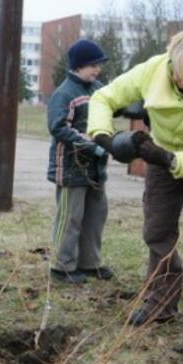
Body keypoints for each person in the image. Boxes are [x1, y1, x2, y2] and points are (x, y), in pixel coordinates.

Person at [88, 22, 183, 354]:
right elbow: (104, 96)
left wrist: (171, 159)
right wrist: (103, 135)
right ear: (171, 60)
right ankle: (161, 304)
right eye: (179, 77)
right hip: (162, 157)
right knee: (157, 230)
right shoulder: (154, 68)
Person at [46, 39, 113, 285]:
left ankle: (90, 262)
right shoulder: (64, 93)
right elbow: (58, 127)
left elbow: (110, 111)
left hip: (96, 168)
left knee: (96, 214)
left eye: (99, 65)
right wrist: (90, 144)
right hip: (71, 167)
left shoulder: (98, 89)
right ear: (77, 66)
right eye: (91, 65)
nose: (96, 70)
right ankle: (62, 266)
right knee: (71, 217)